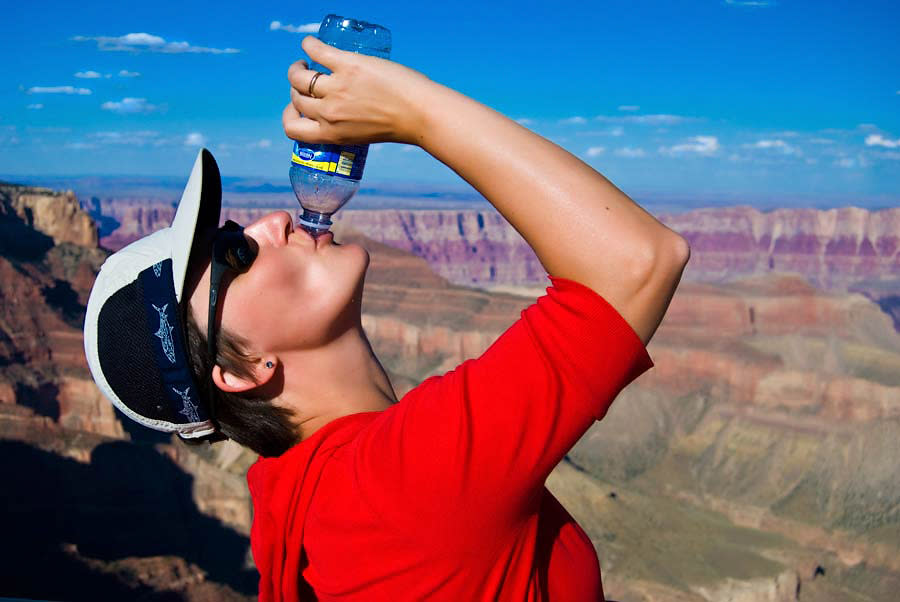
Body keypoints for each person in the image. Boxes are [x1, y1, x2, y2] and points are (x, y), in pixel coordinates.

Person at [84, 34, 689, 601]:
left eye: (235, 231)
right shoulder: (395, 487)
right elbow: (637, 261)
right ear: (243, 372)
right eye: (235, 256)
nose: (269, 223)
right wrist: (412, 113)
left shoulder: (291, 493)